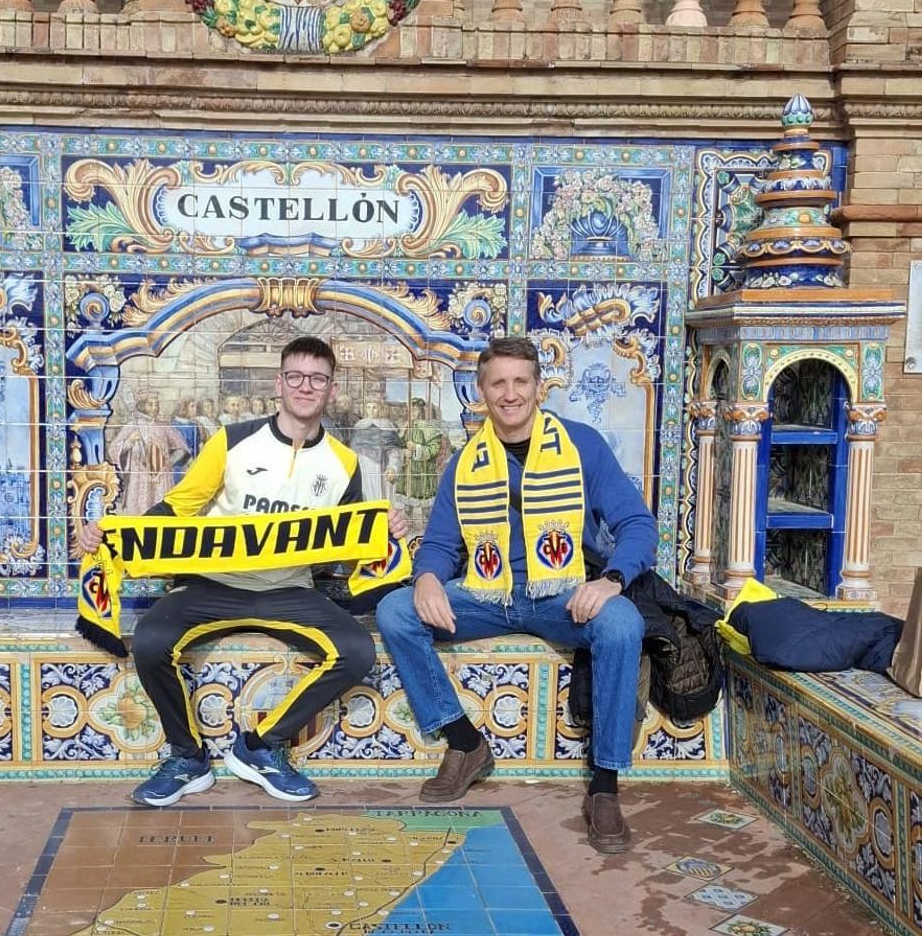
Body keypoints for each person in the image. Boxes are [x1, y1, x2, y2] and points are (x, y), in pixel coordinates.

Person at [78, 336, 406, 809]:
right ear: (279, 383)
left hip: (289, 588)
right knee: (151, 641)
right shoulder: (230, 442)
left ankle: (259, 747)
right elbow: (178, 507)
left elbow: (352, 544)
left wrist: (387, 530)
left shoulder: (344, 464)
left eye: (317, 378)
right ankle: (187, 759)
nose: (305, 386)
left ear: (332, 389)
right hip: (215, 584)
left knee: (355, 652)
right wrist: (112, 534)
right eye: (295, 376)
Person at [375, 337, 656, 854]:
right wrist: (429, 577)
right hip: (488, 595)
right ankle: (466, 744)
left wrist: (610, 579)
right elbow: (439, 543)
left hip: (561, 596)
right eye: (497, 383)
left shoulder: (582, 446)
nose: (509, 394)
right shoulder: (465, 461)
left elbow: (637, 524)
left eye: (520, 381)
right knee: (395, 610)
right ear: (481, 392)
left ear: (539, 387)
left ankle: (605, 787)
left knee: (622, 624)